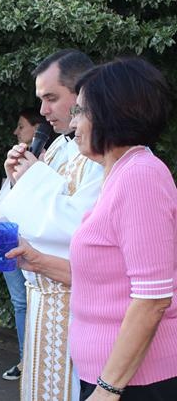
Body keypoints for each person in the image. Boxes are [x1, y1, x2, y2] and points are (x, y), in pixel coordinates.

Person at [0, 49, 103, 401]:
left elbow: (79, 227)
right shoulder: (54, 149)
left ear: (82, 94)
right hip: (42, 304)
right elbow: (16, 217)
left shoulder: (101, 154)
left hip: (75, 305)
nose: (43, 110)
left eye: (51, 98)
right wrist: (16, 180)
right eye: (41, 99)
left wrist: (34, 178)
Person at [66, 58, 175, 399]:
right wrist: (35, 259)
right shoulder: (121, 174)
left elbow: (153, 299)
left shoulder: (140, 176)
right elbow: (109, 278)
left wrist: (108, 389)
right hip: (114, 377)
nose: (73, 124)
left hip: (137, 383)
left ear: (109, 113)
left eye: (80, 111)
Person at [0, 107, 50, 381]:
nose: (16, 132)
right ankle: (24, 360)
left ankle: (40, 362)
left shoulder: (55, 157)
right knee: (20, 301)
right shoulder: (18, 159)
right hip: (10, 238)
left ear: (38, 128)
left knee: (33, 300)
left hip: (39, 247)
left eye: (21, 126)